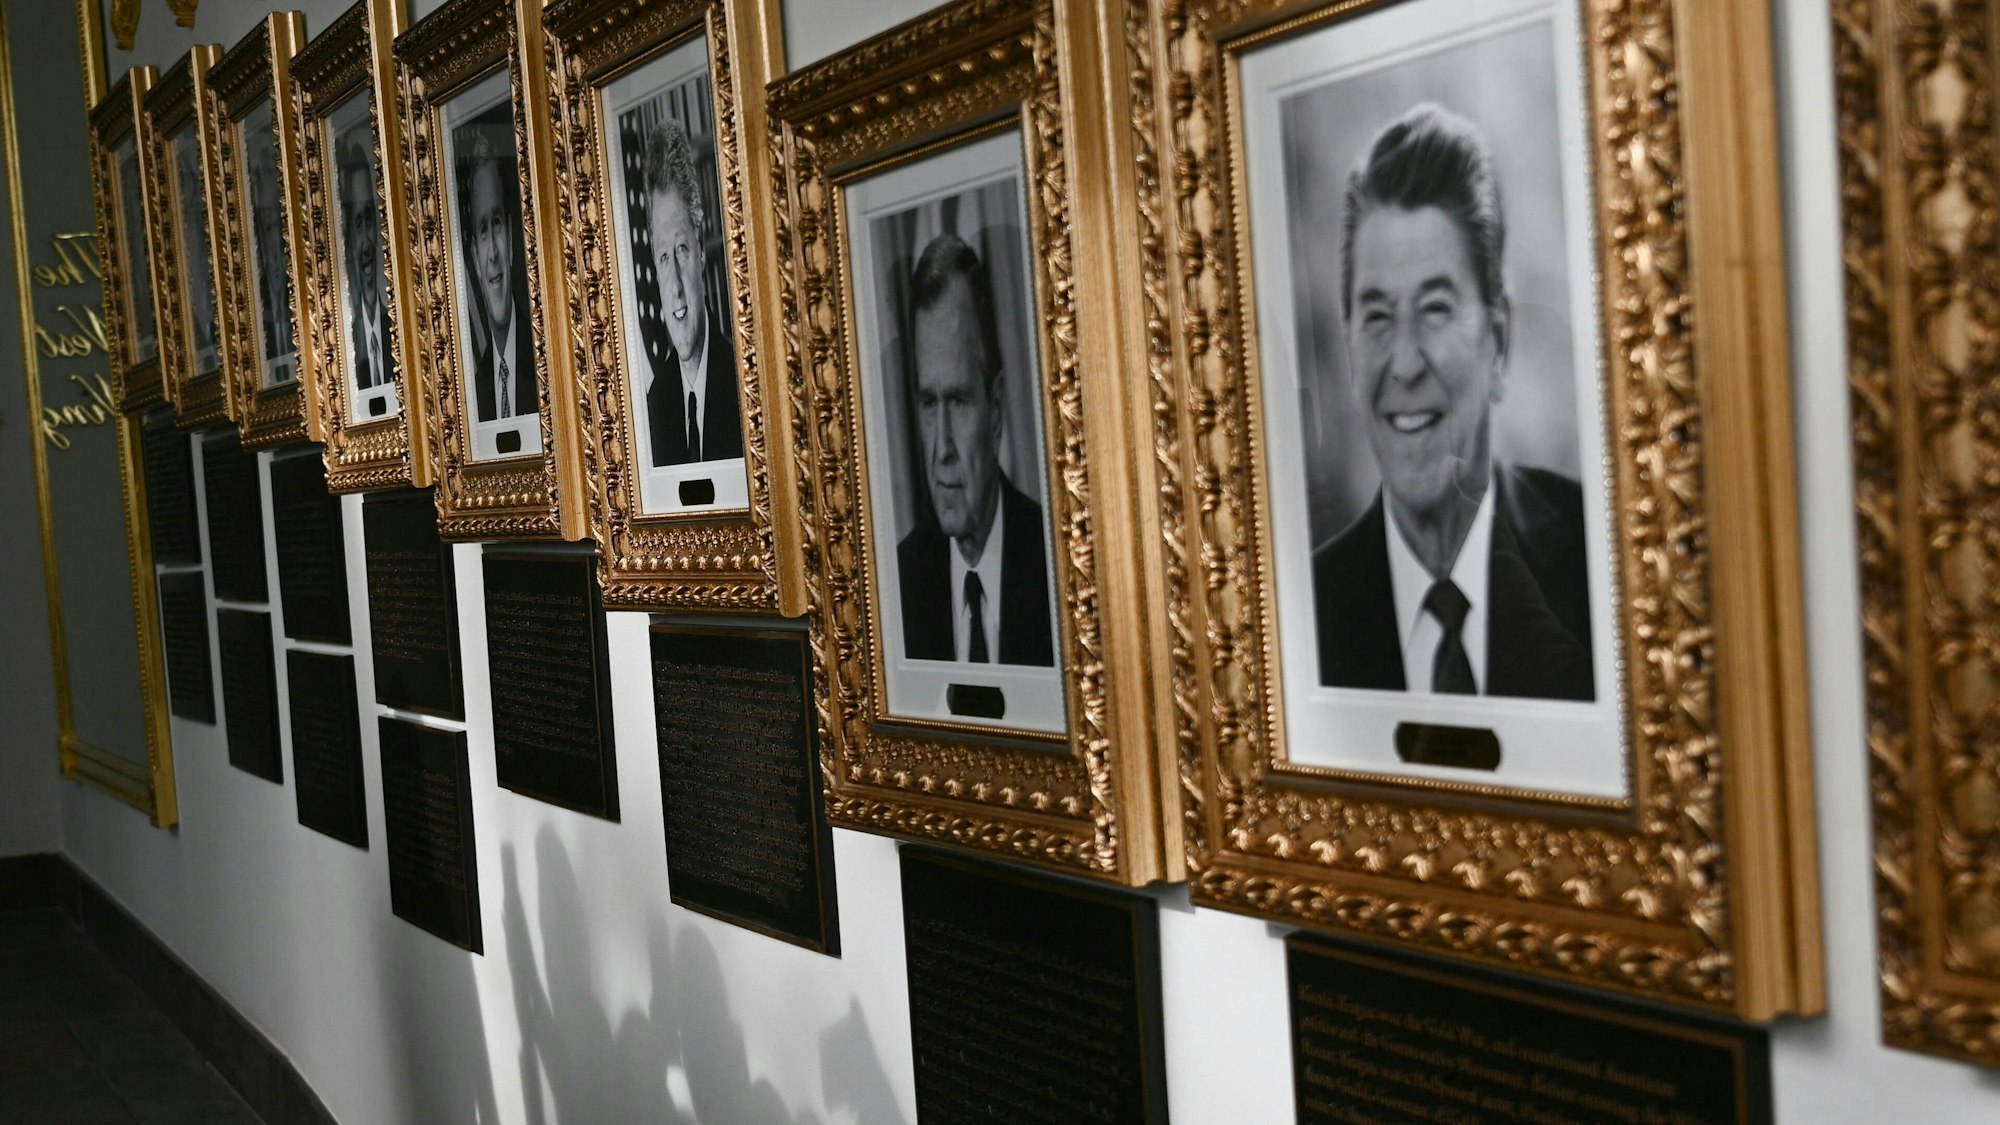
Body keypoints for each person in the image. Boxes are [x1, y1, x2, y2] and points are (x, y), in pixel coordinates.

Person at [1311, 103, 1593, 701]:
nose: (1406, 364)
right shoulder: (1302, 615)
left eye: (1436, 309)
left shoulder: (1602, 567)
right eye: (1379, 316)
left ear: (1499, 341)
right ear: (1348, 346)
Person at [894, 232, 1054, 667]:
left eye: (960, 402)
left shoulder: (1055, 563)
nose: (942, 447)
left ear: (996, 409)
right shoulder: (898, 584)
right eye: (930, 404)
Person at [640, 118, 740, 466]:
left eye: (681, 249)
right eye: (664, 257)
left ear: (700, 249)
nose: (675, 285)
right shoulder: (654, 404)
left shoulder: (743, 384)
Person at [462, 132, 533, 422]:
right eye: (482, 230)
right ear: (475, 259)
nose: (493, 252)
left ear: (512, 236)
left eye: (497, 224)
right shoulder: (476, 390)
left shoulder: (542, 360)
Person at [339, 133, 393, 391]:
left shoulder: (394, 328)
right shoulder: (344, 346)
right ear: (349, 235)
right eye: (358, 224)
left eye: (369, 219)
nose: (365, 244)